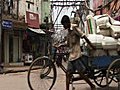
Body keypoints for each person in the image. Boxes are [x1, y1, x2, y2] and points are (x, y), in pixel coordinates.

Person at [61, 15, 96, 90]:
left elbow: (84, 36)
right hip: (71, 56)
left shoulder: (74, 28)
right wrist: (60, 45)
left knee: (81, 74)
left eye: (64, 24)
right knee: (68, 73)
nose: (63, 26)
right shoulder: (68, 32)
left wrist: (91, 45)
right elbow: (68, 44)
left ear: (67, 23)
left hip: (77, 55)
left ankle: (92, 86)